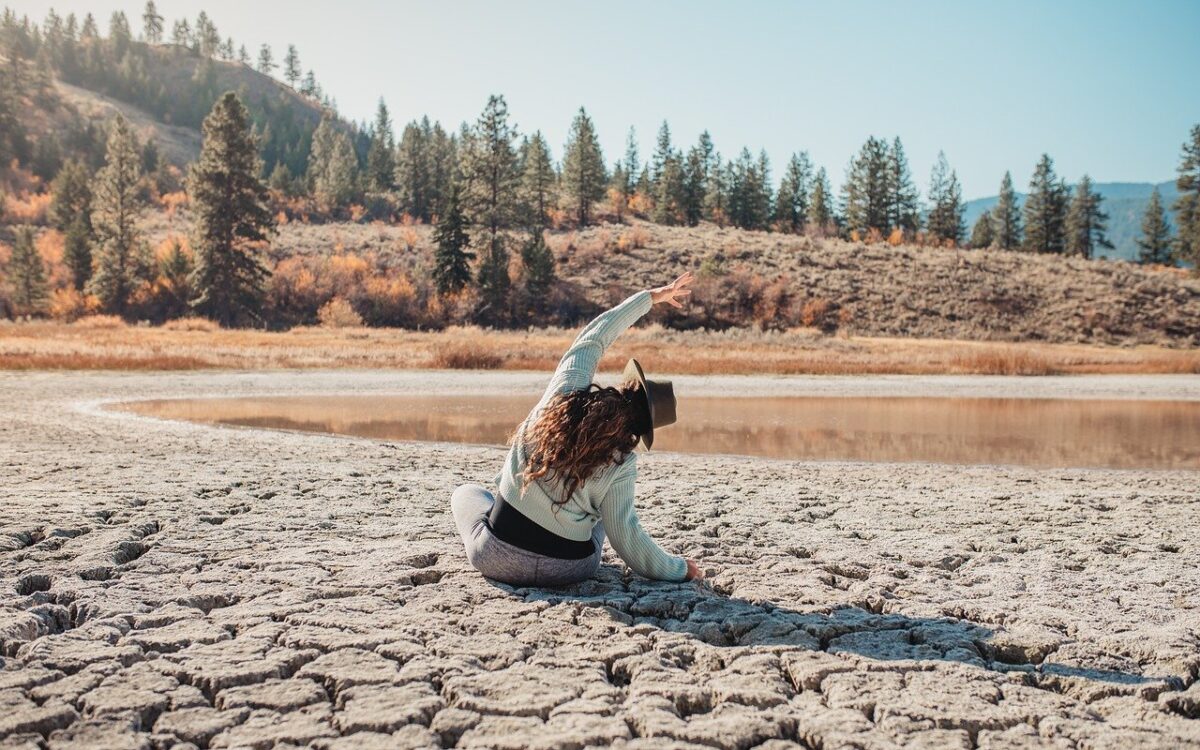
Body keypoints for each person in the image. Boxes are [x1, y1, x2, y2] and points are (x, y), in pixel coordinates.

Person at [450, 272, 705, 587]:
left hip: (495, 557)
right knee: (601, 517)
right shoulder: (621, 463)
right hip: (568, 570)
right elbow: (628, 539)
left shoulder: (564, 396)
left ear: (625, 388)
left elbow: (593, 337)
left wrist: (651, 297)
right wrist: (679, 569)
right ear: (642, 431)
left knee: (468, 494)